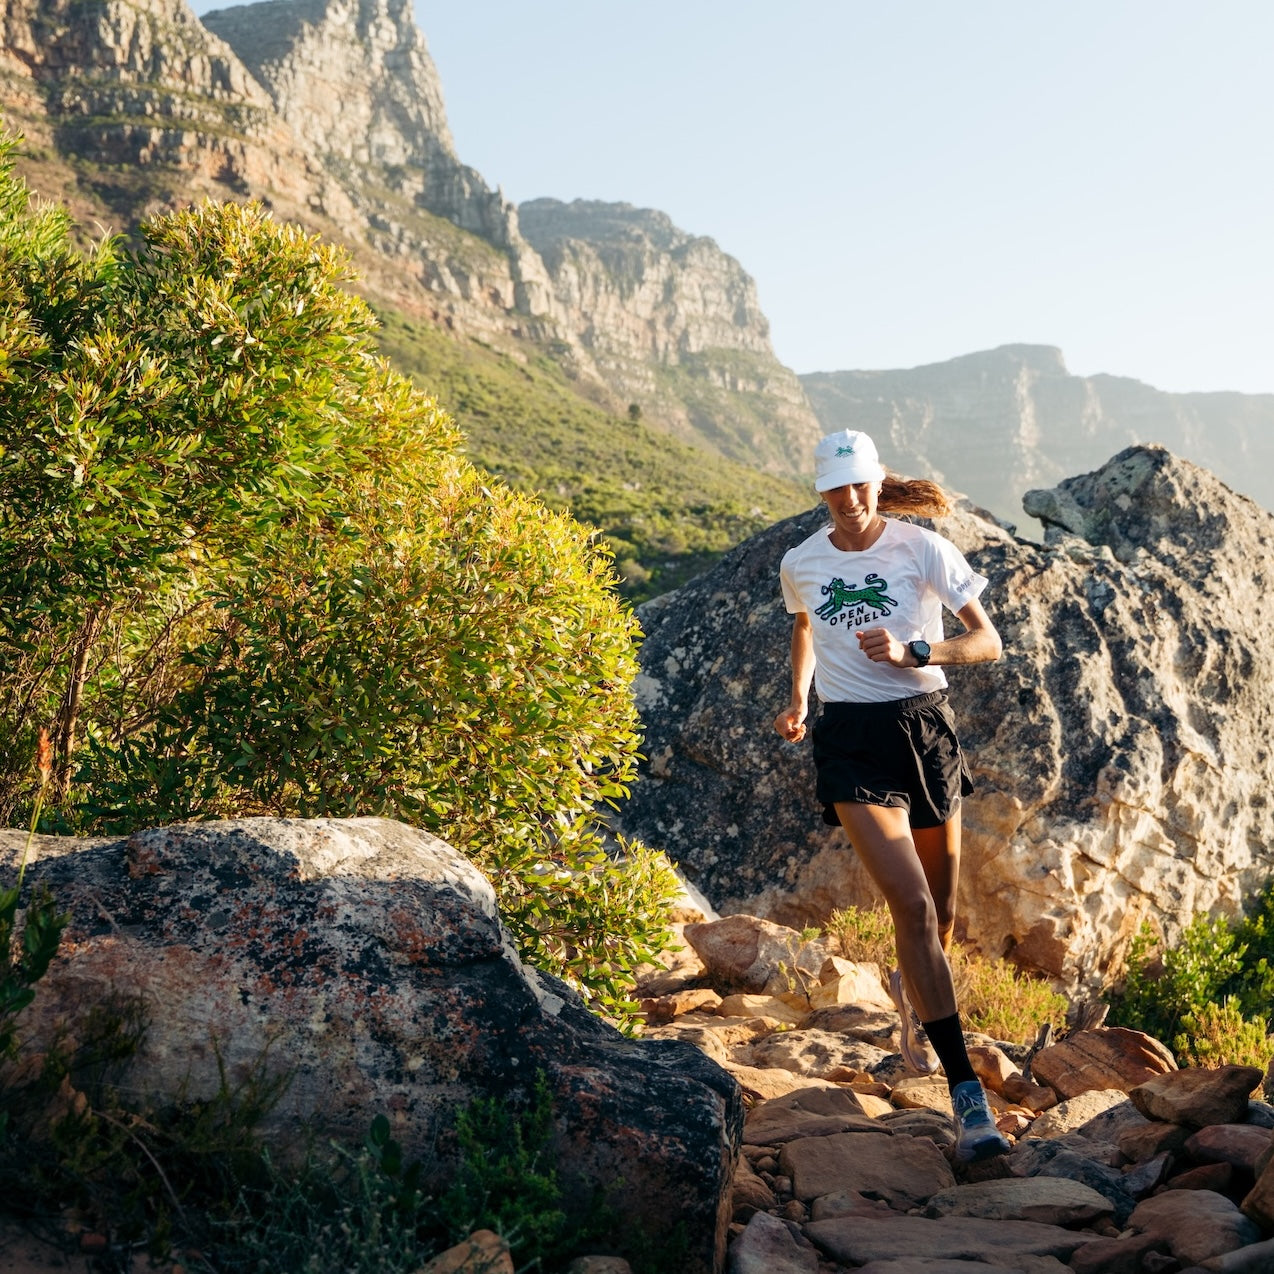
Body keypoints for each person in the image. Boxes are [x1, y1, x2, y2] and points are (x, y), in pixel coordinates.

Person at [773, 427, 1010, 1163]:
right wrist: (798, 699)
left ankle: (915, 1003)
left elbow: (987, 642)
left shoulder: (922, 549)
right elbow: (806, 626)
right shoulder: (801, 562)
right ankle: (970, 1104)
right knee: (907, 905)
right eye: (833, 489)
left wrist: (920, 651)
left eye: (858, 486)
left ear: (877, 483)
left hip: (924, 729)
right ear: (820, 492)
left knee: (938, 916)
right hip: (849, 742)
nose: (847, 500)